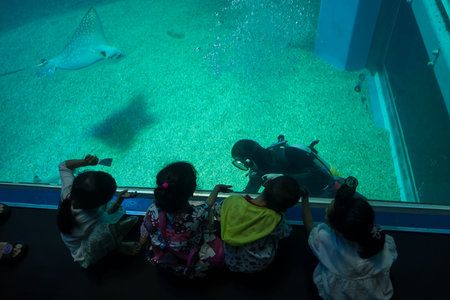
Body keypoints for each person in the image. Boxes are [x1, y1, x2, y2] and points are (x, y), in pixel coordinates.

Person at [302, 176, 398, 300]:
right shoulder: (379, 240)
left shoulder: (326, 240)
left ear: (337, 229)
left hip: (340, 293)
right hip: (374, 293)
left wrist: (305, 199)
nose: (326, 209)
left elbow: (310, 225)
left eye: (328, 211)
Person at [139, 161, 232, 278]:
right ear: (192, 191)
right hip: (186, 261)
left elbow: (145, 230)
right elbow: (208, 206)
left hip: (161, 259)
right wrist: (216, 189)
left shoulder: (153, 210)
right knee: (217, 244)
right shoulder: (196, 215)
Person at [57, 155, 141, 268]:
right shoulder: (95, 217)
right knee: (107, 231)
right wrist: (119, 199)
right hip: (83, 253)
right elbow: (110, 216)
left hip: (73, 234)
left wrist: (85, 162)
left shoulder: (68, 192)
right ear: (101, 203)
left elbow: (63, 165)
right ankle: (116, 248)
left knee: (108, 221)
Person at [214, 175, 302, 273]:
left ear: (266, 183)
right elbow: (285, 232)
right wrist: (281, 214)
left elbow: (217, 212)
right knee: (274, 233)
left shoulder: (233, 202)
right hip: (256, 264)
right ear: (284, 208)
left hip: (229, 259)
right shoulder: (274, 219)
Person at [231, 136, 343, 197]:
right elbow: (249, 193)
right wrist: (227, 195)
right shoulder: (258, 172)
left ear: (249, 160)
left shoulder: (289, 154)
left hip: (326, 192)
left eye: (241, 162)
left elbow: (322, 177)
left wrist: (282, 179)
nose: (244, 166)